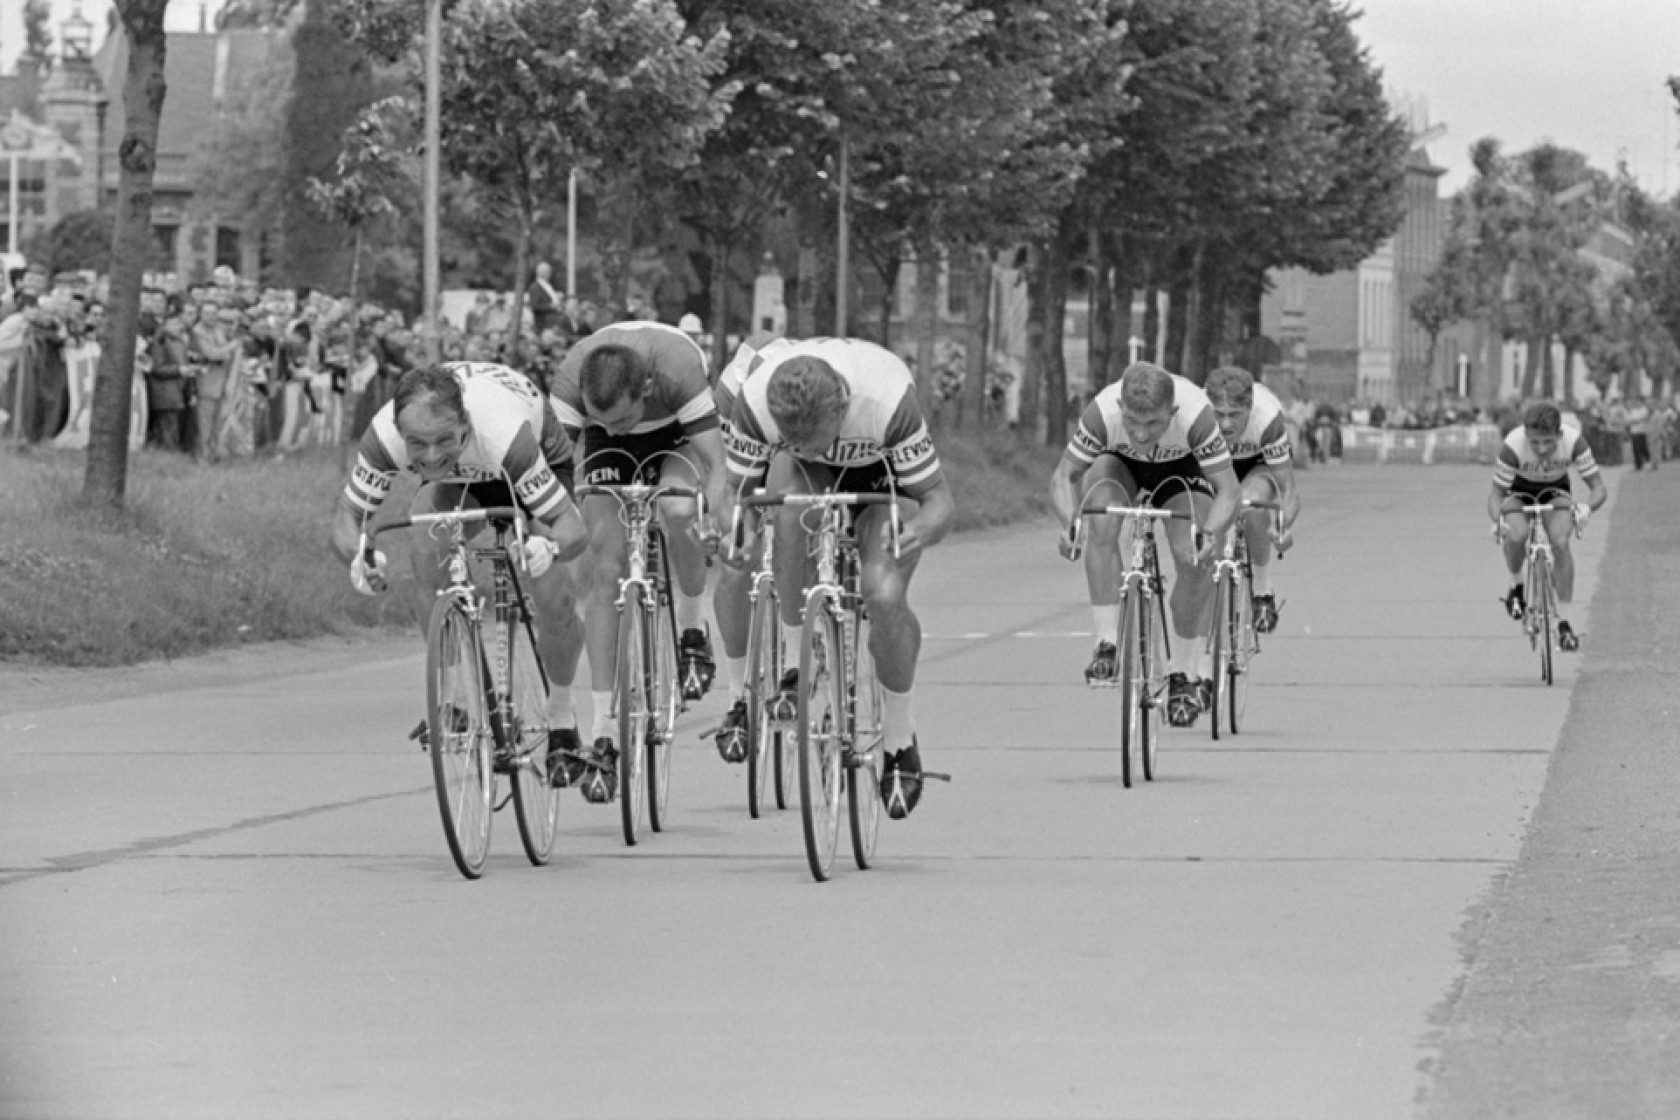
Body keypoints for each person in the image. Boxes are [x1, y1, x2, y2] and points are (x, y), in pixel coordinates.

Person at [718, 337, 956, 819]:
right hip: (809, 476)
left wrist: (920, 533)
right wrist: (735, 532)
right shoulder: (758, 401)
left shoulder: (887, 403)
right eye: (793, 436)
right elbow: (732, 494)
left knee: (883, 593)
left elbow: (939, 503)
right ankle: (794, 667)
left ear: (841, 407)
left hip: (882, 475)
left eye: (813, 435)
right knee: (788, 517)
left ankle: (898, 739)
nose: (802, 442)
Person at [329, 361, 591, 780]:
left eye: (442, 440)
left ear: (463, 424)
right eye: (418, 444)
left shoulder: (504, 436)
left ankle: (561, 719)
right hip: (459, 479)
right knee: (425, 541)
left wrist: (551, 546)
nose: (430, 455)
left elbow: (573, 530)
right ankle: (452, 701)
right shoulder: (384, 436)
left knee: (553, 594)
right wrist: (358, 558)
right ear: (400, 432)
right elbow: (347, 518)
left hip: (526, 460)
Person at [550, 321, 726, 803]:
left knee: (677, 508)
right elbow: (555, 478)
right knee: (604, 571)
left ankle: (692, 628)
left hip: (677, 440)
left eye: (621, 418)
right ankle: (604, 732)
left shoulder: (676, 369)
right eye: (600, 417)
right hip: (608, 457)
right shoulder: (570, 384)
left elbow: (717, 466)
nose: (612, 426)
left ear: (646, 388)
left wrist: (714, 518)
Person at [1048, 361, 1241, 728]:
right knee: (1099, 518)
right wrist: (1070, 524)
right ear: (1122, 408)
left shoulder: (1197, 416)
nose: (1140, 433)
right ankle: (1107, 643)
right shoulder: (1103, 413)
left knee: (1192, 555)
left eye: (1153, 424)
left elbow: (1228, 491)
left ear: (1172, 412)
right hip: (1120, 466)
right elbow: (1062, 477)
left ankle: (1182, 673)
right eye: (1133, 421)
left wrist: (1212, 533)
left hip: (1181, 470)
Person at [708, 335, 791, 763]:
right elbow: (730, 485)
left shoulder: (803, 385)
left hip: (793, 433)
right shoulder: (733, 393)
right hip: (743, 440)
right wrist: (731, 532)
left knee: (797, 508)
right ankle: (736, 698)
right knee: (735, 562)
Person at [1488, 400, 1607, 652]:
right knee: (1517, 535)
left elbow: (1598, 487)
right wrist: (1498, 521)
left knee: (1561, 542)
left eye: (1548, 442)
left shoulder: (1574, 442)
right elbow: (1496, 494)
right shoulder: (1513, 445)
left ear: (1559, 435)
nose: (1541, 449)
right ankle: (1517, 585)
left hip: (1555, 490)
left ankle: (1563, 623)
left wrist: (1586, 508)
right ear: (1526, 435)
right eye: (1535, 442)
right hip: (1518, 491)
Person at [1203, 367, 1301, 634]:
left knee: (1252, 503)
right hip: (1216, 463)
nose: (1225, 425)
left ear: (1249, 408)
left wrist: (1281, 526)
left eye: (1235, 415)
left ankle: (1262, 590)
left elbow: (1288, 490)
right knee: (1207, 509)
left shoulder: (1267, 419)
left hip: (1257, 462)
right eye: (1219, 415)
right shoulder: (1197, 416)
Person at [527, 263, 562, 336]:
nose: (550, 273)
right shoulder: (535, 287)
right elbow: (534, 306)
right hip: (544, 325)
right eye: (548, 271)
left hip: (554, 323)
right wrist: (550, 306)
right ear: (540, 272)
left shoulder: (547, 285)